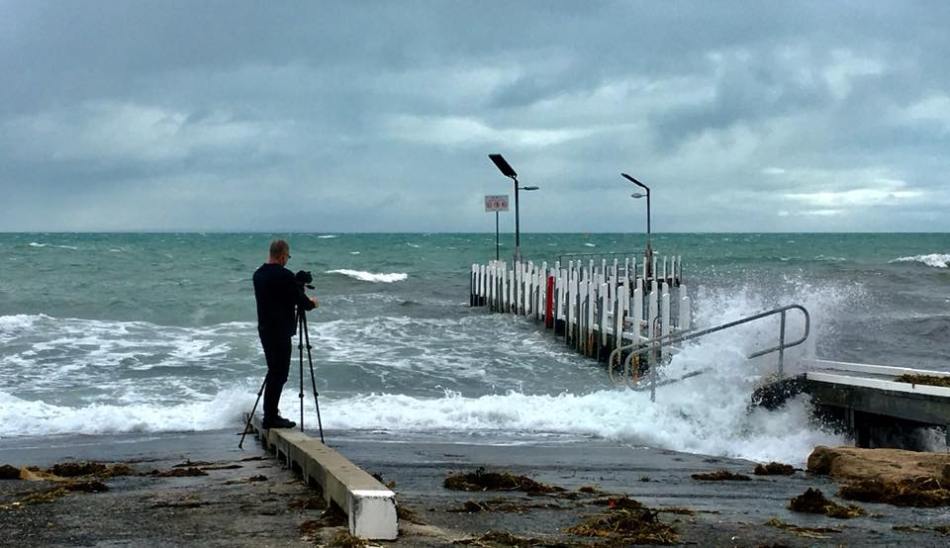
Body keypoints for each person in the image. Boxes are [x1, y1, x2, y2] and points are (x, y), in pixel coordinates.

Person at [253, 239, 317, 429]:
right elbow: (303, 303)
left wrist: (294, 284)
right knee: (279, 374)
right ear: (282, 256)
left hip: (265, 330)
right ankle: (271, 417)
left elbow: (278, 294)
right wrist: (313, 301)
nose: (287, 260)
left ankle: (270, 413)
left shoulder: (258, 275)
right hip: (280, 332)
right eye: (287, 257)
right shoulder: (285, 276)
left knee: (274, 371)